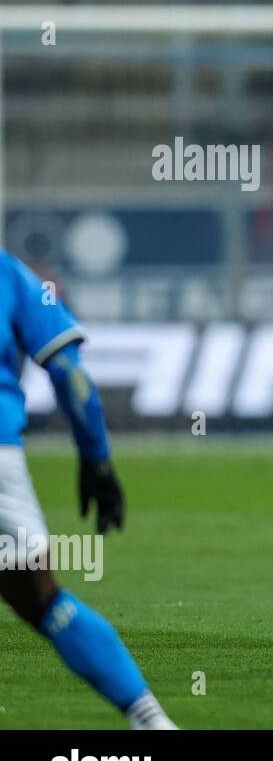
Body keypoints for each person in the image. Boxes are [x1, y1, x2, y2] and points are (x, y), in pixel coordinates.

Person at [0, 251, 177, 728]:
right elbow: (69, 373)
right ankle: (151, 720)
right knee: (44, 602)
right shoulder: (10, 274)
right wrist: (96, 458)